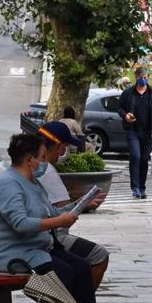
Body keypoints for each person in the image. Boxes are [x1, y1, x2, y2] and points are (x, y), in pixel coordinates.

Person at [0, 133, 123, 303]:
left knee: (81, 267)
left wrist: (81, 204)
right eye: (41, 157)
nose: (44, 161)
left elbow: (51, 212)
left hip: (35, 247)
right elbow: (20, 223)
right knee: (63, 272)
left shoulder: (33, 182)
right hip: (11, 253)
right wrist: (59, 221)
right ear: (30, 160)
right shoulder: (8, 184)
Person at [36, 122, 110, 290]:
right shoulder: (45, 170)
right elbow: (57, 214)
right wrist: (78, 205)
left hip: (47, 234)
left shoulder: (38, 169)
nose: (65, 152)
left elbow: (55, 210)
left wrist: (81, 203)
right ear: (60, 147)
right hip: (51, 238)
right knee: (100, 255)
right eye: (66, 147)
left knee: (80, 265)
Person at [117, 66, 152, 199]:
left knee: (144, 159)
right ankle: (135, 187)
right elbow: (119, 108)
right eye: (140, 78)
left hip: (149, 132)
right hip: (133, 131)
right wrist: (125, 115)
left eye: (145, 78)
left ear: (148, 77)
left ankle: (142, 188)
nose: (143, 80)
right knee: (135, 156)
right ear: (136, 78)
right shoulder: (128, 93)